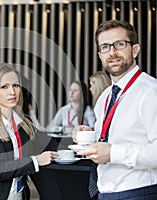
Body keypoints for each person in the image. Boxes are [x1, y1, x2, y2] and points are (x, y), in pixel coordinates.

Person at [74, 20, 157, 199]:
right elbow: (110, 138)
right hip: (105, 191)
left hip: (138, 192)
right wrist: (89, 135)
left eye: (119, 44)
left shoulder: (151, 91)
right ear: (100, 55)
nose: (112, 52)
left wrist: (113, 153)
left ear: (135, 50)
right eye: (105, 47)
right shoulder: (104, 97)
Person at [0, 63, 57, 200]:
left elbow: (52, 144)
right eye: (4, 87)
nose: (12, 92)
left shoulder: (24, 124)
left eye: (15, 85)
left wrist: (76, 137)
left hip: (20, 195)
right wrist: (35, 161)